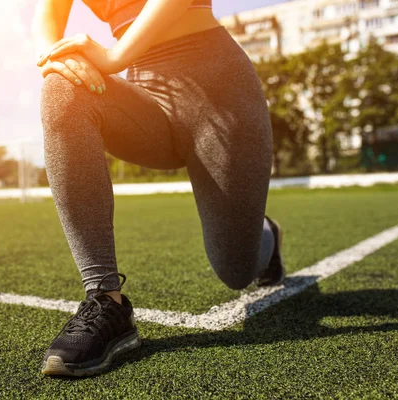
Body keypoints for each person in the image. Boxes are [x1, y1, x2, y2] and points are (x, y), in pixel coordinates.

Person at [32, 0, 285, 377]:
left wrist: (115, 55)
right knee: (61, 88)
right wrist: (54, 57)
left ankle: (266, 236)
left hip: (220, 91)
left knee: (236, 271)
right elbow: (49, 11)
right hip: (147, 99)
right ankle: (105, 299)